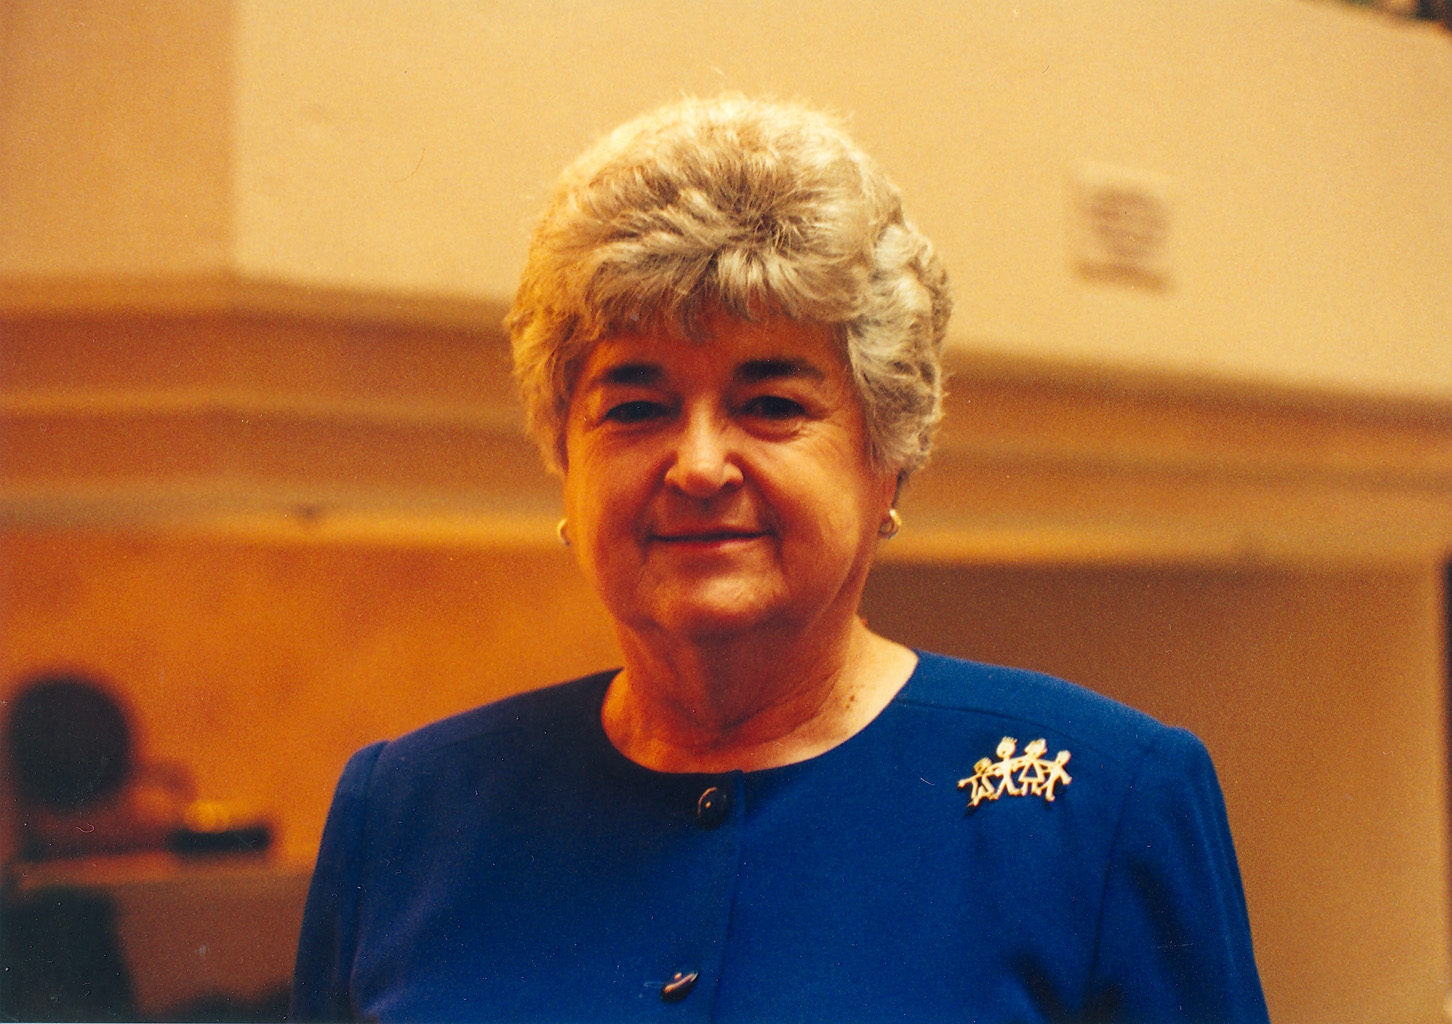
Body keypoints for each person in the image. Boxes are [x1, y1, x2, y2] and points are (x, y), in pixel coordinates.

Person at [290, 94, 1268, 1022]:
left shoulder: (1107, 802)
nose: (698, 465)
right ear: (564, 459)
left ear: (887, 456)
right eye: (636, 407)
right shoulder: (406, 814)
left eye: (770, 405)